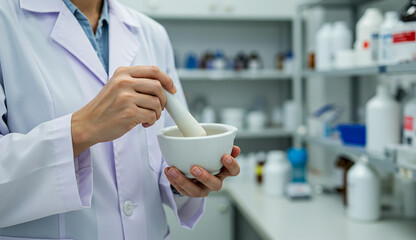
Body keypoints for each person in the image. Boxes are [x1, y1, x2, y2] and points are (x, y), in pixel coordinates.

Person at [0, 0, 240, 239]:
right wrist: (82, 129)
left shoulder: (151, 33)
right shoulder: (6, 21)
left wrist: (188, 179)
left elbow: (168, 152)